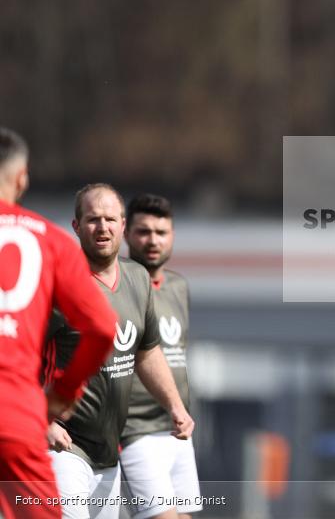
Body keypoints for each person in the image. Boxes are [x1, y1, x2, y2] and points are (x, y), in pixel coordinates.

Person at [44, 184, 195, 519]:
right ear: (76, 226)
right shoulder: (56, 283)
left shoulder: (137, 278)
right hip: (61, 446)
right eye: (93, 219)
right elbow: (13, 358)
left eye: (110, 219)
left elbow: (147, 352)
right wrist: (41, 421)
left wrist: (174, 406)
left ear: (122, 226)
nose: (102, 227)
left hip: (107, 452)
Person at [0, 128, 117, 519]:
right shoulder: (50, 241)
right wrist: (60, 395)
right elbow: (102, 327)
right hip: (16, 413)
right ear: (22, 178)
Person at [119, 194, 202, 519]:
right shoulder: (117, 285)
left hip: (177, 428)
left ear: (172, 236)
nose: (153, 240)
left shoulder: (179, 286)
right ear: (126, 234)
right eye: (143, 231)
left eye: (161, 232)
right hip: (135, 428)